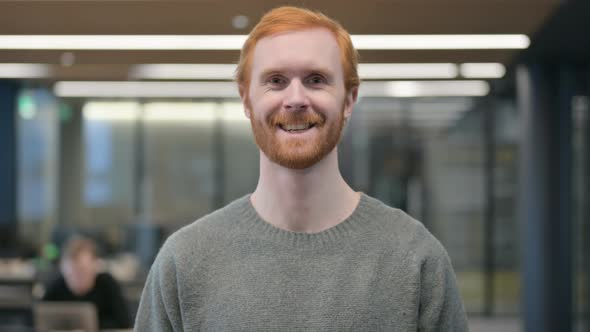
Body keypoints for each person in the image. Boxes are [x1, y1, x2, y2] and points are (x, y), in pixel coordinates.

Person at [135, 6, 468, 331]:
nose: (295, 99)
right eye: (276, 80)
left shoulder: (415, 259)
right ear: (247, 100)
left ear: (349, 99)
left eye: (316, 79)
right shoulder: (185, 263)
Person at [43, 235, 131, 329]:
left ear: (95, 266)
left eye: (82, 271)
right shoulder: (56, 285)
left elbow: (124, 323)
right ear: (63, 270)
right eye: (72, 274)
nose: (77, 278)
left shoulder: (107, 284)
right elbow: (36, 317)